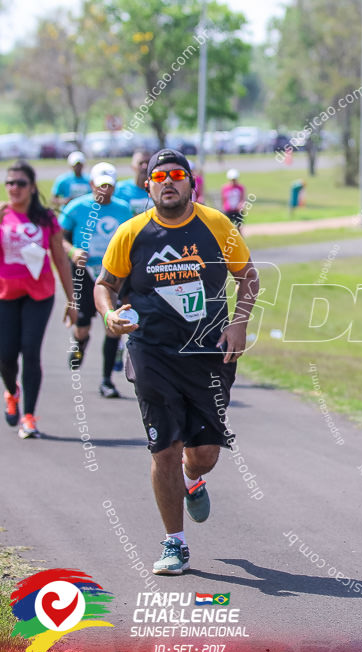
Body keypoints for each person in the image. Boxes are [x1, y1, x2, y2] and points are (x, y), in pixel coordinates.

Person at [94, 149, 259, 575]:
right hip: (151, 352)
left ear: (191, 182)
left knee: (202, 453)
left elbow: (248, 275)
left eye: (176, 175)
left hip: (209, 352)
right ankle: (175, 543)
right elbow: (104, 285)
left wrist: (239, 323)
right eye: (159, 176)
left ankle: (193, 477)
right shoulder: (131, 233)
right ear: (148, 185)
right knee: (164, 447)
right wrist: (110, 315)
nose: (168, 182)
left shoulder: (217, 224)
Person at [0, 161, 77, 438]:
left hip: (39, 295)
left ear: (32, 187)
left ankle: (29, 416)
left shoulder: (46, 218)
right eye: (10, 183)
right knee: (6, 357)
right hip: (3, 293)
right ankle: (12, 392)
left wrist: (71, 301)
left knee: (31, 351)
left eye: (20, 183)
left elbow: (60, 260)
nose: (14, 188)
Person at [61, 162, 134, 398]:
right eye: (100, 185)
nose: (105, 190)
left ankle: (106, 381)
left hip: (113, 274)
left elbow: (133, 240)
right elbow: (59, 238)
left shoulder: (123, 210)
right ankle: (79, 344)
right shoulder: (76, 207)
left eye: (109, 186)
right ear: (91, 184)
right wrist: (72, 252)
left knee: (112, 325)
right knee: (82, 326)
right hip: (83, 273)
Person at [115, 149, 153, 215]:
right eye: (140, 163)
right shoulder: (119, 189)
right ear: (132, 166)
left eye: (148, 162)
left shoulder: (158, 189)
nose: (145, 166)